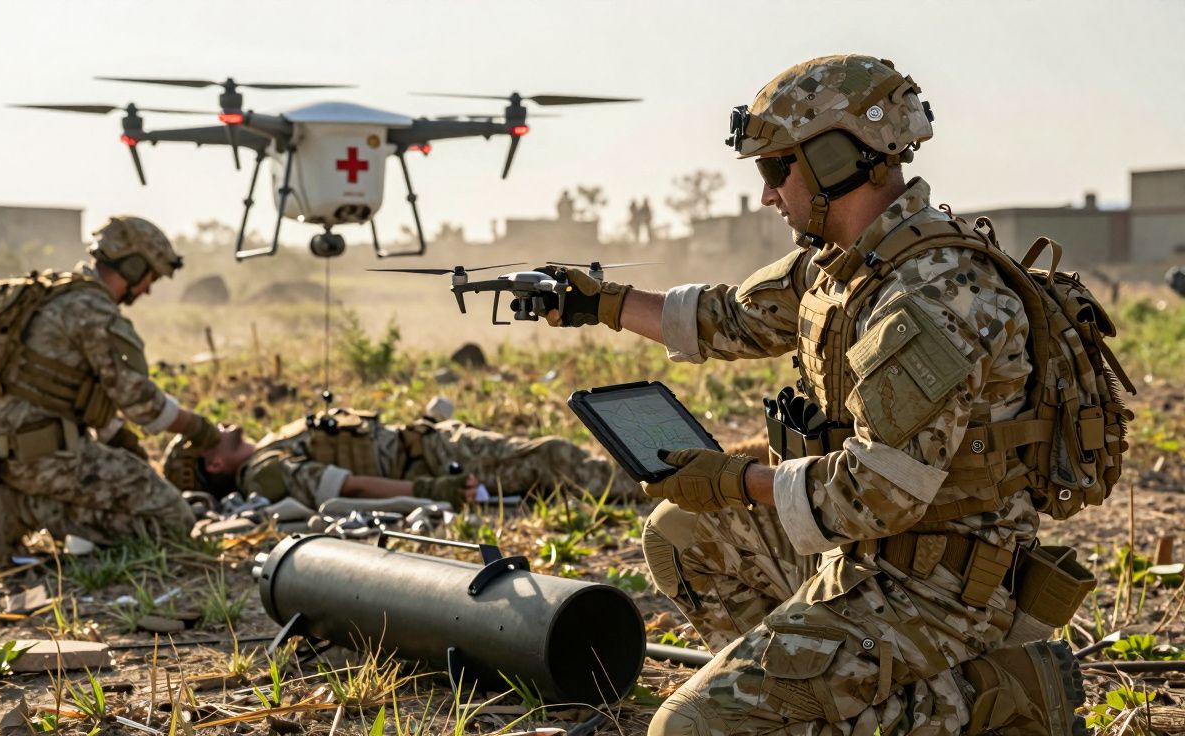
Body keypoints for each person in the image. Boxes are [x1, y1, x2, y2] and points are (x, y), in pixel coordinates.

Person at [539, 55, 1089, 735]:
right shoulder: (847, 267)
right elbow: (730, 318)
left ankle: (991, 698)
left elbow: (878, 492)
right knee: (680, 534)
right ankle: (786, 697)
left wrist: (737, 481)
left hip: (938, 587)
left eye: (777, 170)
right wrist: (603, 303)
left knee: (685, 731)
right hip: (871, 550)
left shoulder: (931, 296)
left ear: (836, 160)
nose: (767, 196)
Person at [0, 216, 220, 561]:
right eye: (151, 278)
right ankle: (23, 509)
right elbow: (140, 402)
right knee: (173, 519)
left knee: (137, 491)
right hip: (43, 457)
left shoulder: (58, 294)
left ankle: (21, 502)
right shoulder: (91, 309)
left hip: (9, 453)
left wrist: (119, 440)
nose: (148, 290)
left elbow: (73, 390)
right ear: (134, 266)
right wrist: (198, 428)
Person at [163, 406, 639, 508]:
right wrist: (431, 490)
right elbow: (348, 487)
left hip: (430, 443)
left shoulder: (267, 449)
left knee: (545, 465)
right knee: (552, 456)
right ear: (214, 465)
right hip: (434, 458)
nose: (216, 425)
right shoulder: (265, 472)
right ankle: (653, 484)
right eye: (206, 439)